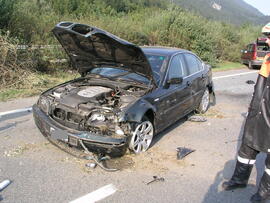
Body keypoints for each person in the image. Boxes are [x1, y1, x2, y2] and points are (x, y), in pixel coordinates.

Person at [222, 22, 270, 203]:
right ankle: (239, 180)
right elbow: (261, 87)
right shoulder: (268, 59)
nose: (267, 40)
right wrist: (252, 109)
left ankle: (265, 193)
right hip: (258, 113)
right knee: (246, 149)